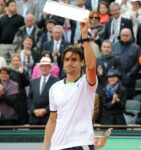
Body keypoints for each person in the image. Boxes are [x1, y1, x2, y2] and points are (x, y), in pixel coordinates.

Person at [42, 19, 111, 150]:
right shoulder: (54, 88)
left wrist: (85, 36)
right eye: (67, 59)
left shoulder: (86, 83)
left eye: (74, 59)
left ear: (82, 62)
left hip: (81, 144)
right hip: (57, 146)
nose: (70, 63)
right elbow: (52, 121)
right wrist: (45, 147)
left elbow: (91, 67)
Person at [28, 57, 58, 125]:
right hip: (34, 119)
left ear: (50, 67)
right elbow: (29, 99)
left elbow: (57, 100)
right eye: (42, 66)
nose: (44, 68)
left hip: (49, 118)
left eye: (47, 66)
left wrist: (46, 110)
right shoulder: (33, 82)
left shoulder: (56, 82)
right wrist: (34, 110)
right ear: (39, 68)